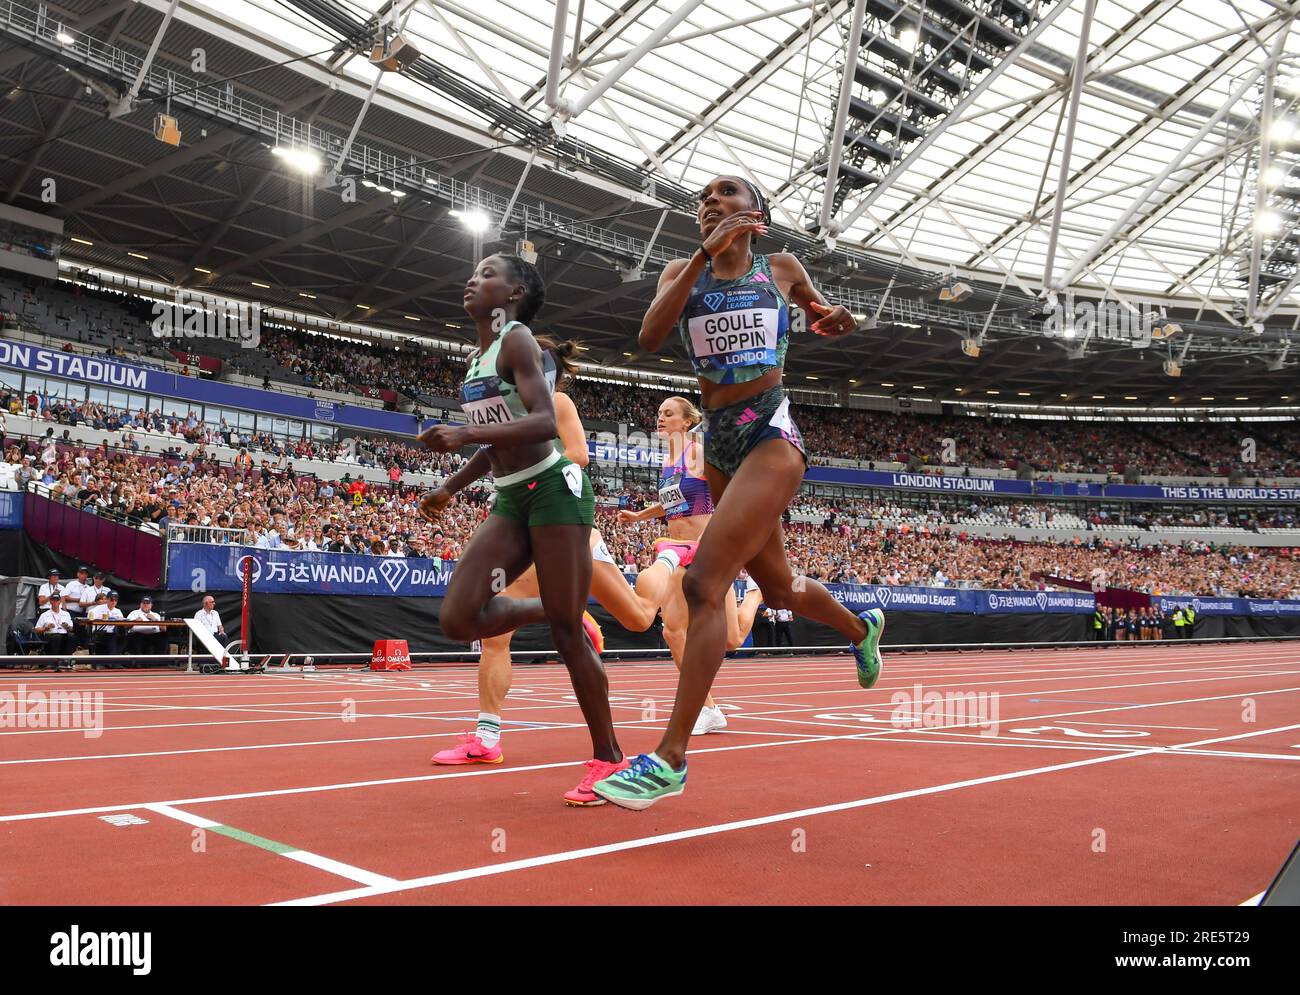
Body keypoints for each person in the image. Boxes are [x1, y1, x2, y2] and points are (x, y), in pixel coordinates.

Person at [595, 174, 884, 809]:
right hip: (719, 439)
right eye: (701, 201)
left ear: (756, 215)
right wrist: (703, 252)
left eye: (724, 195)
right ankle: (860, 629)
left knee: (703, 585)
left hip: (771, 431)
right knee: (779, 588)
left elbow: (823, 311)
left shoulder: (781, 266)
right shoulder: (683, 268)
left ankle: (670, 758)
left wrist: (838, 317)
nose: (707, 204)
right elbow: (647, 338)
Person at [417, 253, 626, 806]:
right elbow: (498, 440)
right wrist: (450, 487)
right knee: (459, 618)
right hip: (512, 499)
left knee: (564, 639)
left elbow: (543, 422)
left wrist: (460, 434)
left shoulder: (517, 341)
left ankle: (608, 758)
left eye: (487, 273)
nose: (472, 278)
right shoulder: (478, 356)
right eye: (474, 270)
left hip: (556, 492)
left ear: (513, 294)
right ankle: (565, 608)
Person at [34, 594, 75, 667]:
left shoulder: (66, 614)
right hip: (50, 635)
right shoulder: (44, 614)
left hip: (63, 634)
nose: (55, 602)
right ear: (50, 602)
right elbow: (37, 629)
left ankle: (67, 661)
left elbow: (71, 628)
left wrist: (67, 627)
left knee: (71, 636)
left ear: (60, 602)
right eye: (53, 600)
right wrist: (46, 628)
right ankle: (54, 662)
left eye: (57, 600)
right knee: (57, 637)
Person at [87, 591, 126, 666]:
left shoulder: (118, 611)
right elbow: (90, 616)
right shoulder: (98, 608)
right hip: (99, 632)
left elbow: (123, 621)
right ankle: (114, 662)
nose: (114, 602)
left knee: (125, 637)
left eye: (116, 600)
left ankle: (112, 660)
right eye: (112, 599)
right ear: (107, 599)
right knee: (111, 636)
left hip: (112, 632)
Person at [126, 596, 166, 666]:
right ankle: (138, 662)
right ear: (140, 604)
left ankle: (161, 661)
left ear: (151, 605)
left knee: (163, 636)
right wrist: (135, 621)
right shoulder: (134, 613)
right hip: (138, 635)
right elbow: (126, 627)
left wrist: (155, 620)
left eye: (147, 603)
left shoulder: (155, 615)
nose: (145, 605)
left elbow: (164, 629)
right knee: (137, 635)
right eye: (144, 603)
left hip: (153, 635)